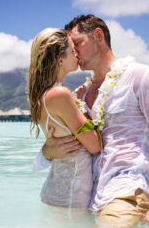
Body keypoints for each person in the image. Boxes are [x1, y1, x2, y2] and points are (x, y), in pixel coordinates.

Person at [34, 15, 149, 228]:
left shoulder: (142, 77)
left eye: (77, 43)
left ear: (98, 36)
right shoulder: (81, 94)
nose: (74, 51)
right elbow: (71, 146)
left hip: (126, 190)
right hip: (87, 200)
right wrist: (47, 151)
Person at [28, 28, 101, 209]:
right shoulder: (60, 94)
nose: (77, 54)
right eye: (72, 51)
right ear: (59, 59)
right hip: (71, 196)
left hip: (59, 192)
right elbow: (94, 145)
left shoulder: (44, 96)